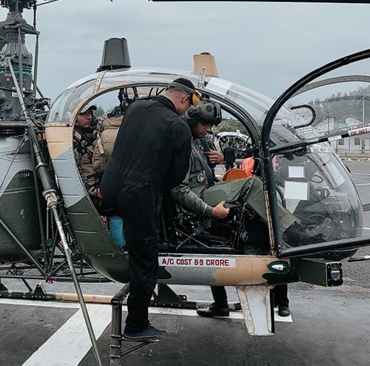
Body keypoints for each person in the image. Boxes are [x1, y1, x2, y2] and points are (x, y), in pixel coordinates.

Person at [171, 102, 321, 318]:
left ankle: (232, 303)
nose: (208, 129)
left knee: (252, 193)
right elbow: (180, 188)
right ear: (194, 121)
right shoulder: (183, 144)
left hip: (207, 189)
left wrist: (219, 159)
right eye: (205, 125)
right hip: (200, 197)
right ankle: (292, 230)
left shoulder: (197, 141)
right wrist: (208, 210)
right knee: (253, 184)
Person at [100, 78, 198, 341]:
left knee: (135, 246)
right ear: (185, 99)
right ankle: (136, 325)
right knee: (145, 260)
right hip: (138, 194)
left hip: (110, 188)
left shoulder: (136, 108)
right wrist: (155, 187)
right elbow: (176, 177)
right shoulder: (178, 126)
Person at [73, 103, 100, 201]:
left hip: (99, 184)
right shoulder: (72, 141)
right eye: (83, 114)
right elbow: (73, 175)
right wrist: (93, 191)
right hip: (86, 192)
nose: (88, 117)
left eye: (90, 113)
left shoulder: (93, 135)